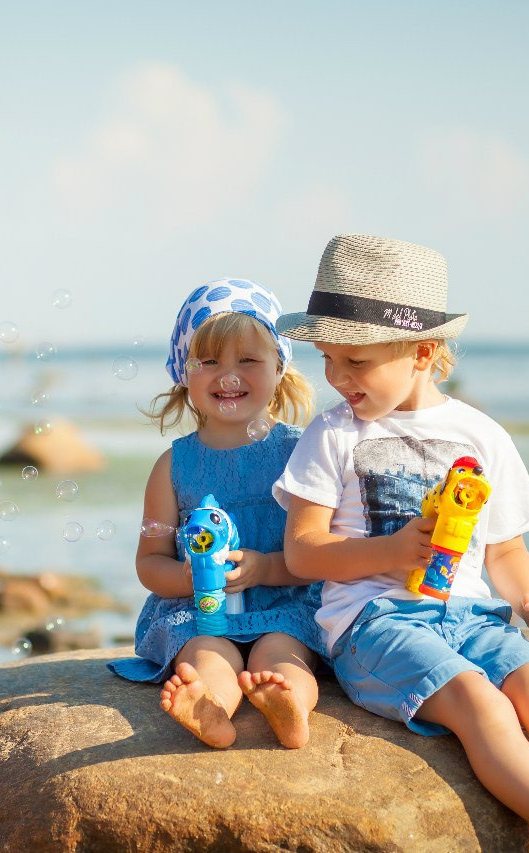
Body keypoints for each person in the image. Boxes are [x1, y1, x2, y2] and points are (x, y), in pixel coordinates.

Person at [272, 235, 529, 852]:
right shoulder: (333, 433)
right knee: (478, 699)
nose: (336, 377)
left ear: (422, 352)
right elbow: (303, 552)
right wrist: (390, 554)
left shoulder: (480, 434)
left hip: (471, 616)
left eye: (356, 361)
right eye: (327, 358)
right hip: (375, 624)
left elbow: (504, 552)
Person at [108, 278, 327, 750]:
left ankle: (289, 706)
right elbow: (149, 562)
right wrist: (192, 578)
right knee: (209, 656)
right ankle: (210, 710)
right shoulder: (174, 465)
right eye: (209, 362)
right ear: (184, 373)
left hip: (284, 606)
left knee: (285, 657)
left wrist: (266, 568)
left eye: (248, 360)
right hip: (199, 611)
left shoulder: (301, 453)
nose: (228, 376)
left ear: (280, 369)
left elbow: (322, 548)